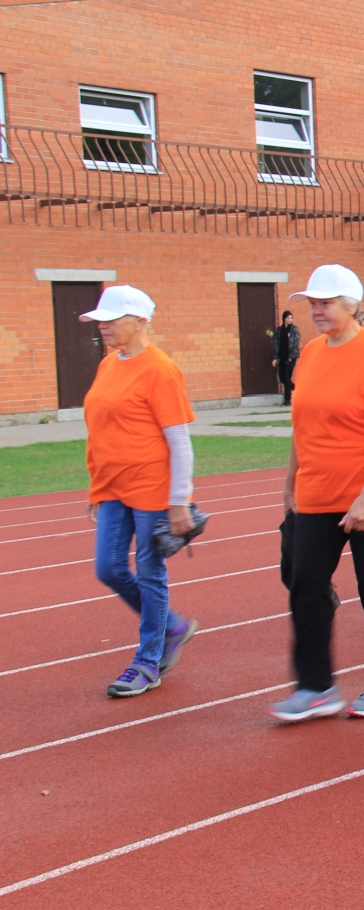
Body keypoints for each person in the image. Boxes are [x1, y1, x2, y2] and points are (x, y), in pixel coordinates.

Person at [271, 265, 364, 721]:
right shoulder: (310, 353)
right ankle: (315, 686)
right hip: (317, 490)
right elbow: (301, 423)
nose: (316, 310)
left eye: (325, 302)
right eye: (312, 303)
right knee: (306, 583)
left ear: (351, 306)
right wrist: (290, 481)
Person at [80, 285, 200, 698]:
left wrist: (179, 500)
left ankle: (148, 660)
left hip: (152, 489)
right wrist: (96, 486)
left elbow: (180, 441)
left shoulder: (160, 370)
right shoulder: (108, 365)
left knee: (150, 573)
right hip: (112, 487)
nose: (104, 327)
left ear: (141, 321)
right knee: (108, 568)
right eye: (102, 321)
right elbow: (100, 430)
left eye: (112, 320)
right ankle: (172, 627)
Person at [272, 310, 301, 406]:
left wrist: (291, 357)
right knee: (282, 377)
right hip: (283, 357)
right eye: (288, 318)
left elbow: (296, 343)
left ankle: (287, 400)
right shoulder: (280, 330)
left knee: (287, 377)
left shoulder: (294, 329)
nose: (290, 319)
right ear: (284, 319)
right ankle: (296, 389)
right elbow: (277, 344)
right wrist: (275, 358)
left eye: (291, 318)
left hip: (291, 357)